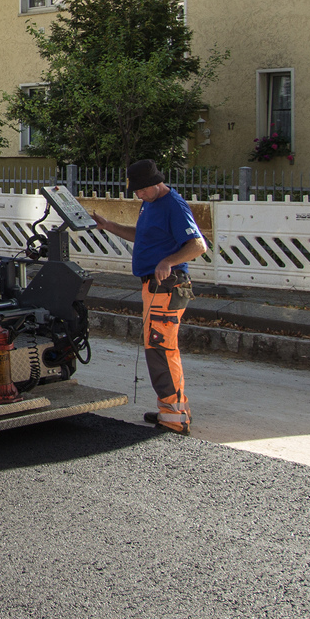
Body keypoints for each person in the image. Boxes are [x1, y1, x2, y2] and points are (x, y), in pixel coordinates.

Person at [89, 159, 206, 435]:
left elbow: (198, 245)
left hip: (167, 286)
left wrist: (168, 261)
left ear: (156, 183)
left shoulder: (173, 205)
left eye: (141, 190)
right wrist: (108, 225)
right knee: (163, 349)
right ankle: (174, 408)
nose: (137, 194)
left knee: (160, 350)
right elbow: (142, 236)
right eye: (136, 190)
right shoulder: (151, 203)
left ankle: (174, 417)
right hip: (156, 287)